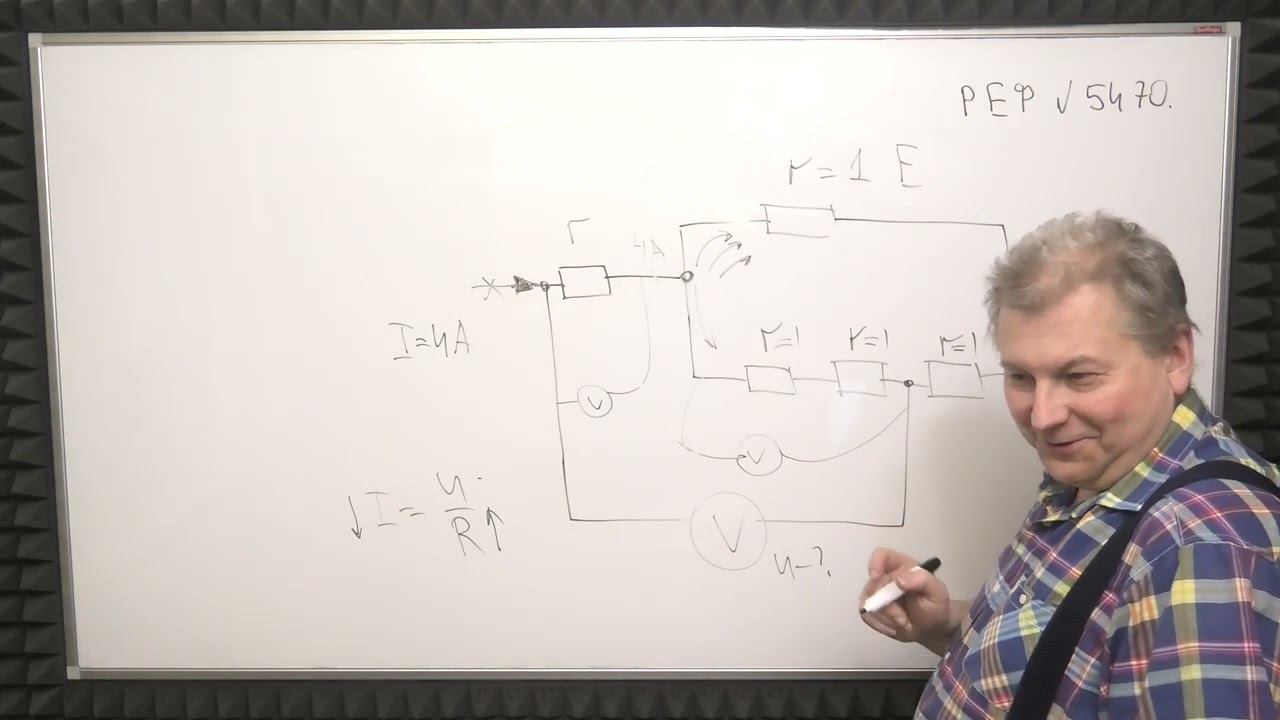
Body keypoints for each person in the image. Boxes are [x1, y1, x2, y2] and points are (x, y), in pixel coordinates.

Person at [861, 211, 1280, 718]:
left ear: (1174, 356)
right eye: (1020, 377)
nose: (1043, 416)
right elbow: (1073, 655)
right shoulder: (1100, 474)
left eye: (1079, 377)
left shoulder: (1198, 548)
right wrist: (946, 622)